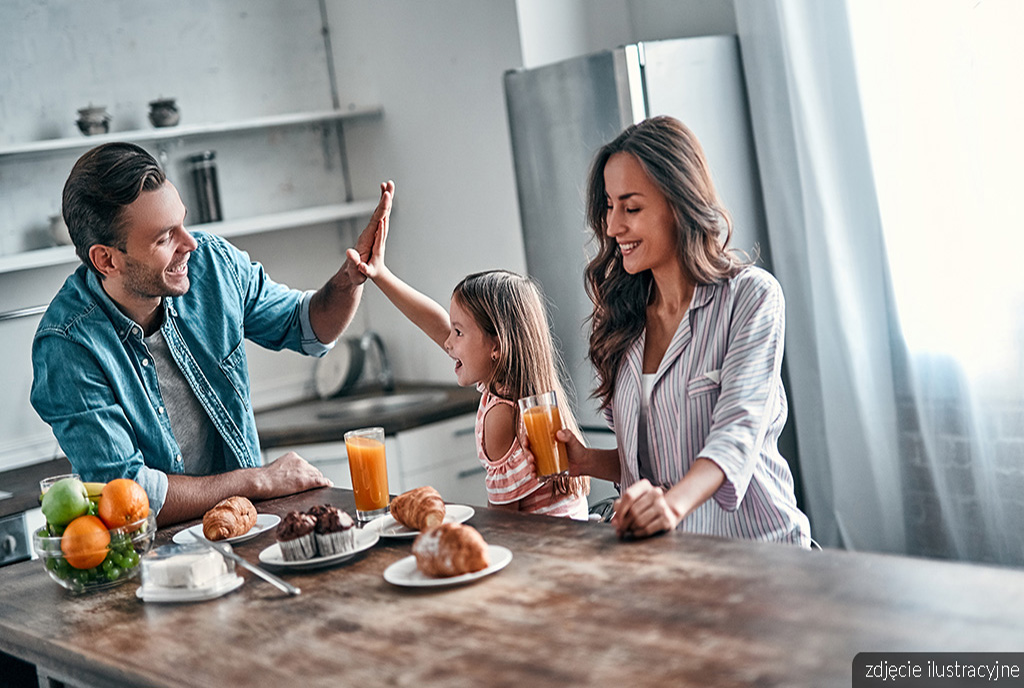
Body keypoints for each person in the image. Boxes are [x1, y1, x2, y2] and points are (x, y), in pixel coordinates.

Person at [30, 142, 393, 526]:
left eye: (182, 222)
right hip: (158, 559)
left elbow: (307, 326)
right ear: (106, 259)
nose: (190, 244)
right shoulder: (66, 346)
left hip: (242, 526)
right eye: (164, 238)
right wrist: (259, 480)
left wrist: (350, 279)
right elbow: (129, 494)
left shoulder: (213, 265)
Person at [557, 116, 811, 545]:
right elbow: (655, 462)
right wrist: (586, 461)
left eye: (631, 207)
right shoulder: (625, 319)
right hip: (673, 562)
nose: (613, 226)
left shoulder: (750, 298)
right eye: (609, 206)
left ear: (678, 204)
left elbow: (736, 434)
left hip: (760, 556)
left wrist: (671, 506)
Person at [348, 193, 590, 518]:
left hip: (549, 552)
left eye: (459, 332)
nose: (448, 342)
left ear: (496, 348)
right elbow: (435, 323)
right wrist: (381, 275)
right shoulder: (514, 388)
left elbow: (504, 522)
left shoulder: (501, 416)